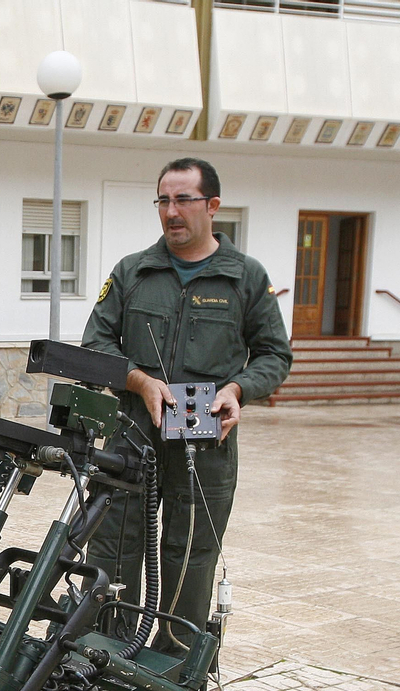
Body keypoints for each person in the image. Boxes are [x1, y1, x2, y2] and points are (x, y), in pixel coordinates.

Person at [81, 158, 291, 650]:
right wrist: (140, 382)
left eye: (183, 200)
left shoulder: (244, 278)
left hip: (205, 438)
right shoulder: (133, 272)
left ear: (212, 205)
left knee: (190, 554)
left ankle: (173, 669)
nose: (171, 212)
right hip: (132, 431)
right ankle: (101, 657)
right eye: (163, 200)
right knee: (113, 546)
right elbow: (96, 343)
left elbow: (274, 355)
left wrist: (237, 390)